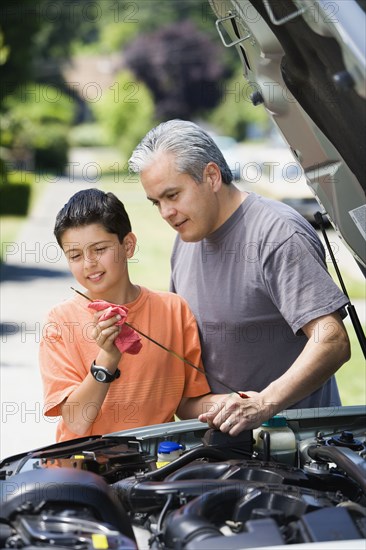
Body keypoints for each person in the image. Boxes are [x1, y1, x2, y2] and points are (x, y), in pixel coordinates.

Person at [128, 119, 351, 435]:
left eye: (173, 195)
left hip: (302, 452)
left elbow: (332, 339)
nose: (166, 213)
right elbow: (187, 380)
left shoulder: (277, 234)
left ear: (212, 176)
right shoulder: (185, 241)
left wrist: (262, 404)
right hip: (227, 452)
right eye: (157, 203)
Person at [39, 188, 227, 442]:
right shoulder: (59, 322)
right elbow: (76, 421)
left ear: (128, 246)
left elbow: (186, 405)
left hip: (157, 463)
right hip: (84, 468)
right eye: (75, 255)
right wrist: (108, 357)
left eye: (99, 249)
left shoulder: (174, 309)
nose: (88, 263)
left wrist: (230, 403)